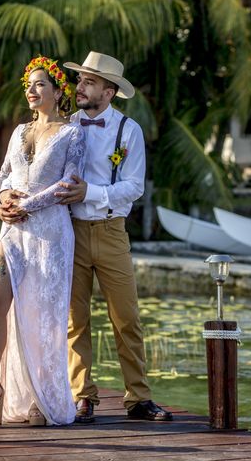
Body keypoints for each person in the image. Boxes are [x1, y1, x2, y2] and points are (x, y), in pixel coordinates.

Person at [54, 51, 173, 423]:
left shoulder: (128, 130)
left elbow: (134, 187)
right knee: (75, 320)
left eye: (89, 82)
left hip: (111, 232)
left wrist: (90, 192)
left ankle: (138, 399)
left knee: (126, 319)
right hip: (69, 233)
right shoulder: (64, 124)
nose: (80, 87)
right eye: (80, 80)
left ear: (108, 92)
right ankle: (81, 396)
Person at [0, 56, 86, 428]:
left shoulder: (73, 133)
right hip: (13, 232)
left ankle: (41, 396)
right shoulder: (19, 131)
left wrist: (27, 204)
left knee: (43, 318)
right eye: (29, 85)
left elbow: (69, 182)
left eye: (40, 84)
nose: (32, 91)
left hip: (51, 234)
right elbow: (4, 174)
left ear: (57, 91)